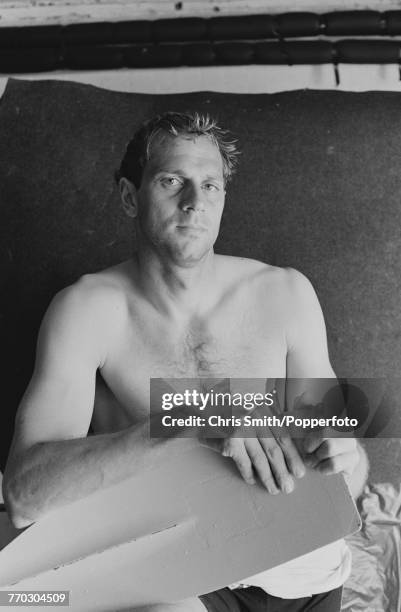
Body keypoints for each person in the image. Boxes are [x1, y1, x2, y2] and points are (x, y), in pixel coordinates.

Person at [3, 112, 368, 612]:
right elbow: (25, 498)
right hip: (180, 575)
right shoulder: (88, 311)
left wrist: (346, 456)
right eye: (172, 181)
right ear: (131, 196)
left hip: (304, 568)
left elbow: (349, 467)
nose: (195, 203)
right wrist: (188, 419)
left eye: (211, 185)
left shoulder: (286, 294)